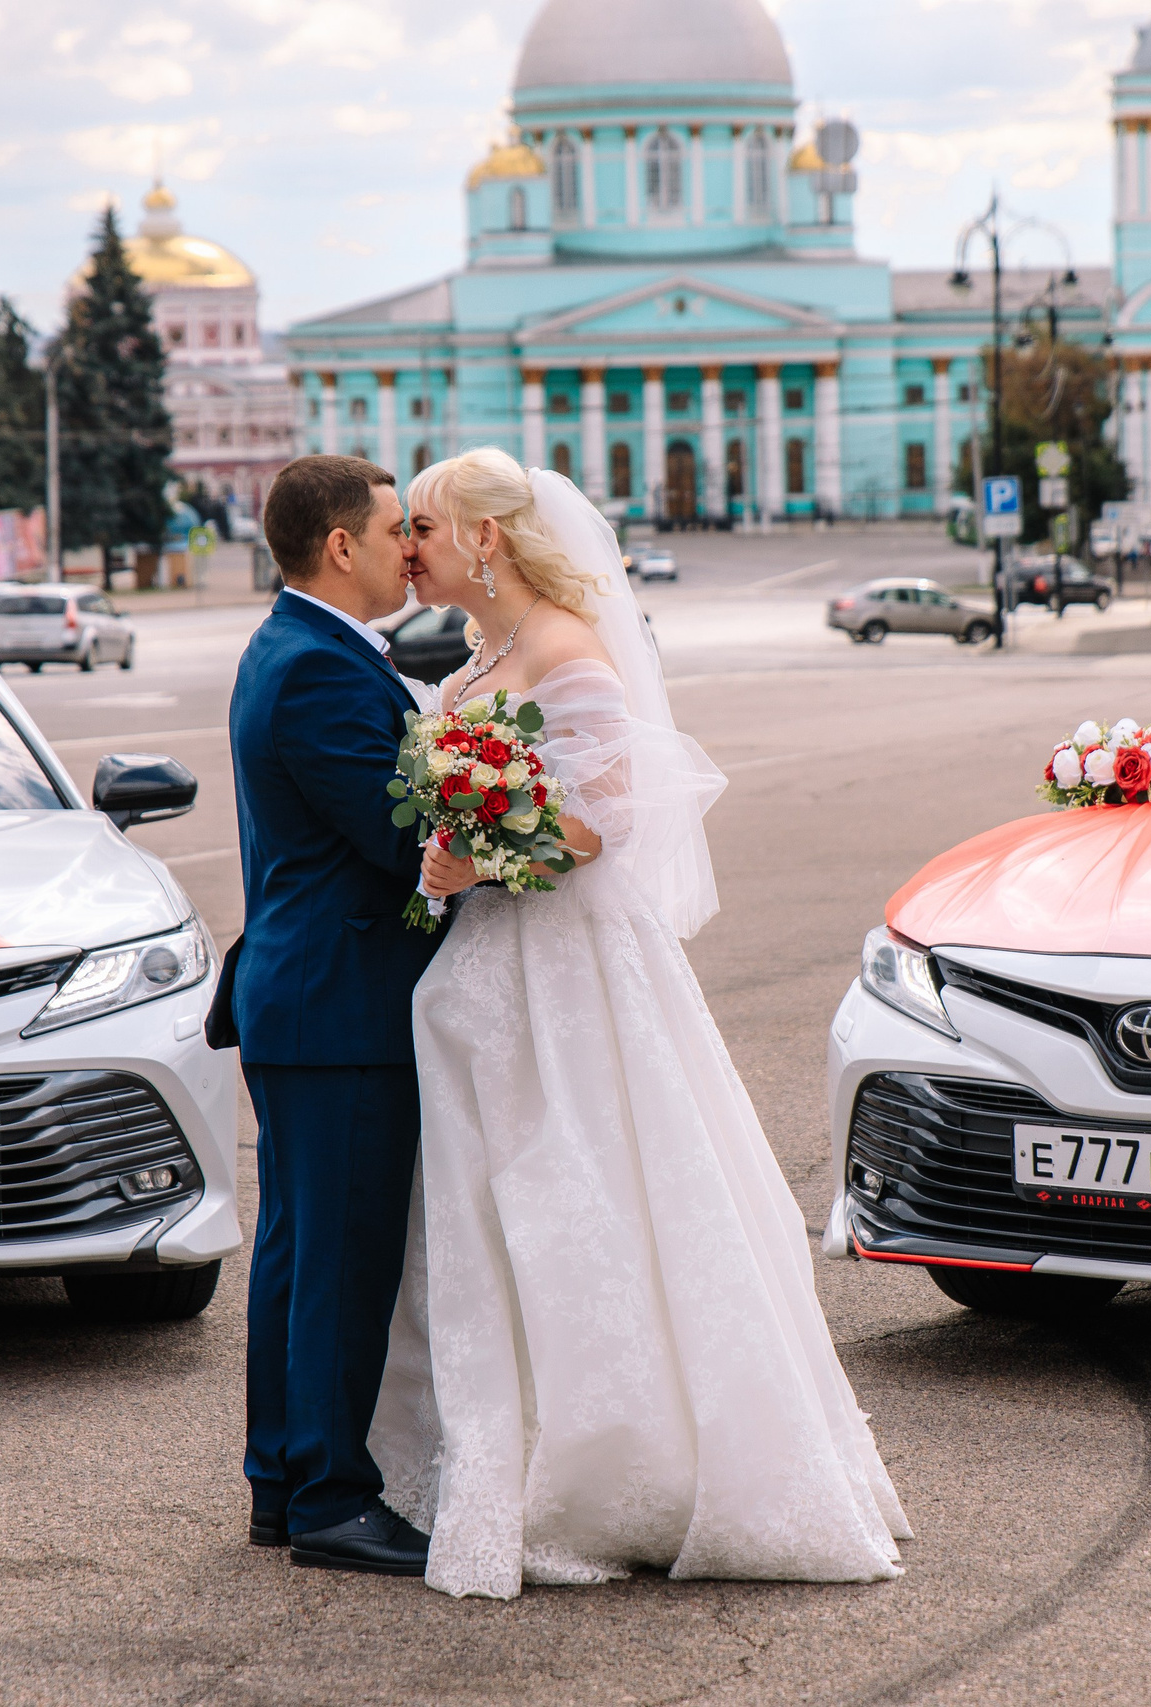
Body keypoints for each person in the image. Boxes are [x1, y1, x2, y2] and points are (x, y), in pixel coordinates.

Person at [372, 447, 910, 1599]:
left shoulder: (568, 649)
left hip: (570, 969)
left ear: (485, 537)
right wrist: (451, 855)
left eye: (423, 522)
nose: (407, 542)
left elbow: (605, 815)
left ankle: (629, 1468)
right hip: (490, 971)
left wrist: (473, 854)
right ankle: (509, 1446)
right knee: (507, 1203)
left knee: (593, 1188)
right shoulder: (485, 655)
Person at [227, 454, 445, 1576]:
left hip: (307, 1001)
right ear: (340, 547)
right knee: (338, 1263)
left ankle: (281, 1479)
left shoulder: (302, 648)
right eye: (393, 525)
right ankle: (329, 1498)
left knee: (300, 1255)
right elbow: (403, 840)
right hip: (339, 1007)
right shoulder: (316, 667)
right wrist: (516, 830)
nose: (409, 544)